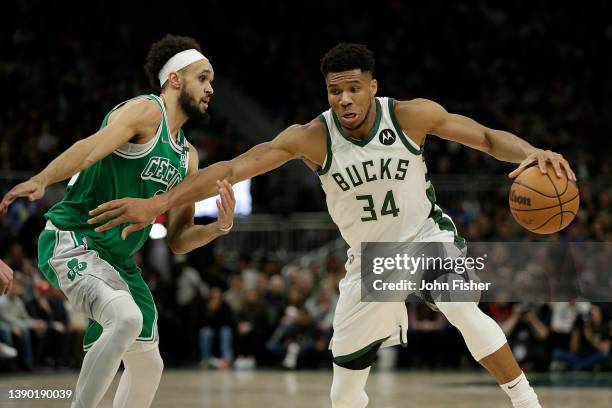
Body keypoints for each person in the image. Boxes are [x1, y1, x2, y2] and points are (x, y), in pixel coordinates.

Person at [87, 43, 576, 407]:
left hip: (424, 236)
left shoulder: (410, 116)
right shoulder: (312, 138)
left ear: (372, 87)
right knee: (344, 391)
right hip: (370, 261)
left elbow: (488, 138)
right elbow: (232, 168)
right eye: (334, 90)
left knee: (463, 309)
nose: (344, 99)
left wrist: (534, 152)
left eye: (353, 88)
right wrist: (159, 202)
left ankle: (526, 401)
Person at [0, 34, 235, 408]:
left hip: (121, 263)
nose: (211, 88)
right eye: (202, 78)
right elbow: (91, 147)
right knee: (124, 318)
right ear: (174, 78)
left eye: (212, 81)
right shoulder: (146, 111)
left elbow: (177, 239)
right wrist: (43, 179)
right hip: (74, 237)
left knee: (149, 366)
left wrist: (218, 227)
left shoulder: (187, 156)